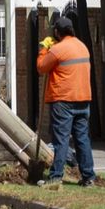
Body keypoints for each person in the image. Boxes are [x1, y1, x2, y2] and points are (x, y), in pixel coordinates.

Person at [38, 15, 96, 189]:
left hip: (63, 100)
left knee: (61, 140)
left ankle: (56, 177)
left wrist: (44, 48)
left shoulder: (58, 50)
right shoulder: (82, 47)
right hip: (83, 99)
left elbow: (41, 67)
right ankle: (89, 177)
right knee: (82, 139)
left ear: (57, 32)